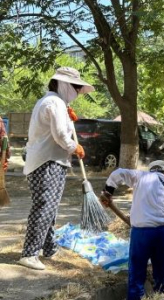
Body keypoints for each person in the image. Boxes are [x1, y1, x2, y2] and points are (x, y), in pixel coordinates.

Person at [18, 67, 93, 270]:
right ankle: (30, 253)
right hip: (47, 162)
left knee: (50, 208)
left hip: (49, 161)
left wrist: (68, 117)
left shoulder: (54, 102)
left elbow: (59, 128)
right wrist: (74, 146)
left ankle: (49, 247)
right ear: (65, 85)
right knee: (44, 207)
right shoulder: (55, 102)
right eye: (76, 88)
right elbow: (60, 134)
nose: (78, 92)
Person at [99, 160, 164, 300]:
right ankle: (162, 296)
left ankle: (136, 297)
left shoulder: (141, 176)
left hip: (141, 232)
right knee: (160, 274)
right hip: (162, 232)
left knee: (136, 273)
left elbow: (118, 173)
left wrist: (108, 191)